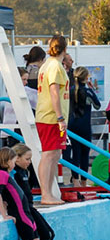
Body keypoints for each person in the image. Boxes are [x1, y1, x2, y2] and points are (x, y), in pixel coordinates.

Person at [1, 147, 47, 240]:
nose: (14, 164)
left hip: (26, 212)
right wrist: (4, 215)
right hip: (20, 214)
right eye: (14, 161)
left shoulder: (7, 175)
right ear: (7, 161)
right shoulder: (2, 174)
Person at [35, 35, 70, 205]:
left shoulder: (47, 65)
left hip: (49, 116)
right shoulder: (55, 66)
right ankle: (45, 193)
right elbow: (54, 91)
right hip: (50, 117)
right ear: (65, 49)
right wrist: (60, 117)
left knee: (55, 154)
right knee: (49, 155)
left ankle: (48, 193)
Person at [10, 144, 53, 240]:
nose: (29, 162)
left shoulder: (25, 171)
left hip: (30, 208)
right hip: (23, 210)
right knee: (40, 239)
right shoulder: (13, 173)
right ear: (16, 159)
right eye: (27, 159)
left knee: (48, 235)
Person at [65, 66, 100, 187]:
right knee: (85, 153)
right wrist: (93, 90)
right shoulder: (88, 91)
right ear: (86, 78)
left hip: (72, 125)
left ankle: (75, 181)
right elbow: (97, 105)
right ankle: (84, 182)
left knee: (75, 153)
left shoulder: (70, 90)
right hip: (84, 126)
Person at [1, 67, 38, 147]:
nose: (26, 82)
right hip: (14, 127)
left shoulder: (11, 90)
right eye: (23, 79)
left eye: (26, 80)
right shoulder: (23, 91)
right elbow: (37, 98)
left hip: (12, 127)